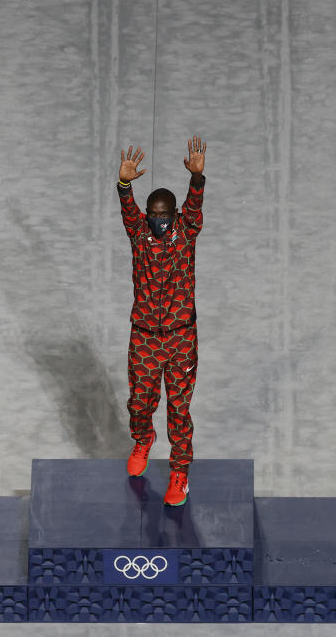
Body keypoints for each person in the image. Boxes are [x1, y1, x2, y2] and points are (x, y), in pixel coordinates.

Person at [116, 136, 206, 506]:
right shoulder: (138, 235)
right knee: (139, 403)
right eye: (153, 213)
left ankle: (179, 473)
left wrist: (197, 179)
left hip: (181, 338)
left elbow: (195, 205)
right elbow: (127, 210)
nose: (158, 220)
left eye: (164, 214)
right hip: (145, 337)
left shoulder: (187, 232)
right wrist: (124, 184)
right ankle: (143, 439)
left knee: (179, 410)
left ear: (175, 216)